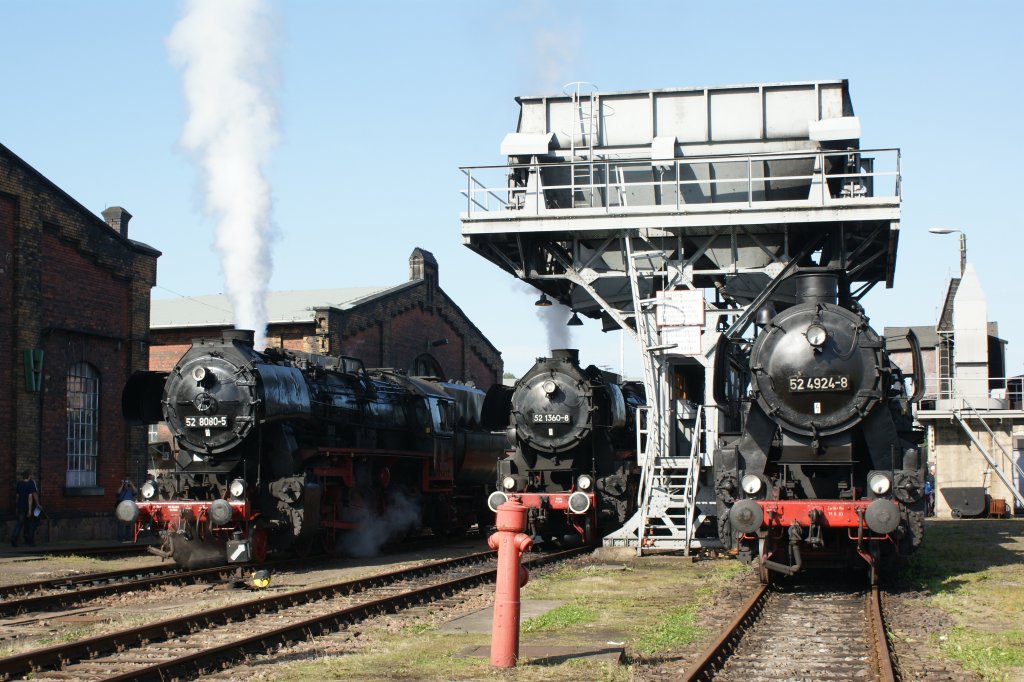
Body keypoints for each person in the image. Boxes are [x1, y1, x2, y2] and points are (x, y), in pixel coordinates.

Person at [12, 470, 39, 547]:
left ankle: (14, 538)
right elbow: (30, 498)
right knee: (30, 524)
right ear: (29, 476)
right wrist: (30, 510)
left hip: (20, 506)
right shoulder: (30, 484)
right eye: (31, 475)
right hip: (27, 507)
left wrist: (17, 505)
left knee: (19, 524)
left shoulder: (19, 484)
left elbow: (17, 496)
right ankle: (30, 541)